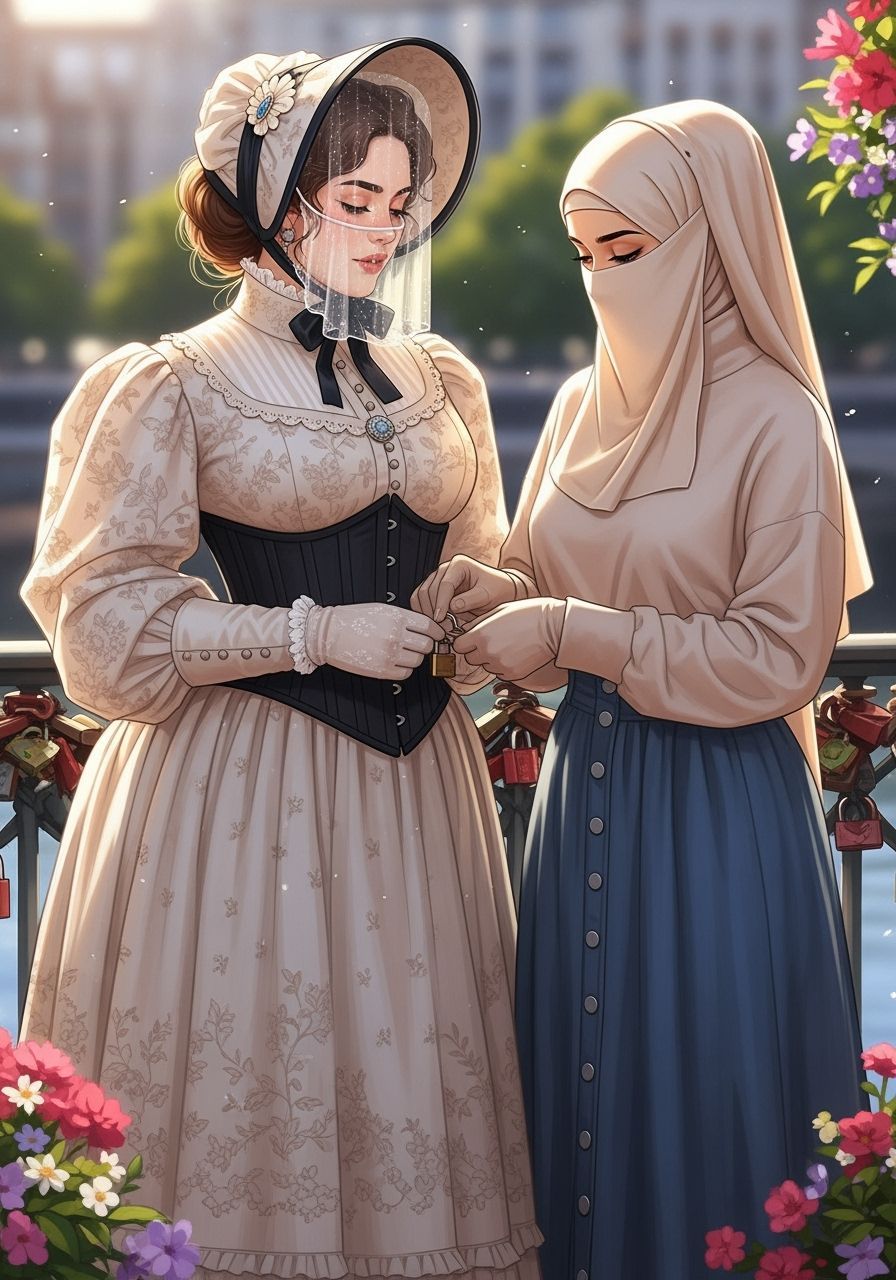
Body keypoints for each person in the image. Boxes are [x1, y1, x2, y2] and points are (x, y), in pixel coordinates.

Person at [18, 41, 542, 1280]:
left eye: (399, 201)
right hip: (239, 801)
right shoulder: (174, 384)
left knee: (410, 1096)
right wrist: (309, 632)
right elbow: (100, 628)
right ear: (275, 202)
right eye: (355, 200)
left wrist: (484, 597)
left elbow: (484, 558)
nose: (385, 228)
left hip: (420, 802)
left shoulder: (438, 380)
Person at [413, 100, 872, 1279]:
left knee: (705, 1080)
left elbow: (777, 655)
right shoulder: (578, 405)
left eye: (628, 250)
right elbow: (550, 570)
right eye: (584, 254)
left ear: (711, 236)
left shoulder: (779, 424)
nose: (602, 280)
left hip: (717, 808)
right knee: (577, 1077)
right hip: (584, 799)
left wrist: (575, 629)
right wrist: (492, 583)